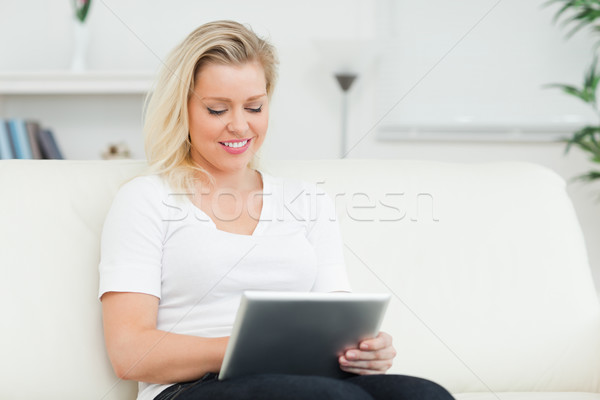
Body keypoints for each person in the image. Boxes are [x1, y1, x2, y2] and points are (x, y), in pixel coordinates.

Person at [99, 20, 454, 400]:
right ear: (183, 110)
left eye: (254, 106)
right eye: (217, 110)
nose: (239, 125)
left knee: (424, 395)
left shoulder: (307, 201)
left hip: (308, 381)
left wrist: (364, 351)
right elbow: (129, 353)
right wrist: (249, 351)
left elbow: (336, 323)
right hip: (193, 389)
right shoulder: (145, 199)